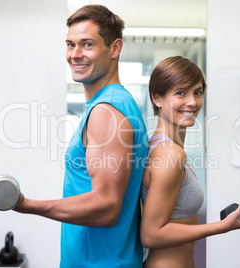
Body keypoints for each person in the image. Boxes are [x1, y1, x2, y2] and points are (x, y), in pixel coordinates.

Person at [13, 5, 148, 268]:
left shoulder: (106, 111)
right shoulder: (120, 104)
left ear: (115, 48)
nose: (75, 54)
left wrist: (27, 204)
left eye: (87, 44)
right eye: (70, 45)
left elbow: (107, 206)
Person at [140, 56, 240, 268]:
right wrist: (223, 226)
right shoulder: (169, 154)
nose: (192, 102)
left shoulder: (163, 147)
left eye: (197, 92)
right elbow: (151, 235)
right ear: (157, 98)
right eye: (180, 92)